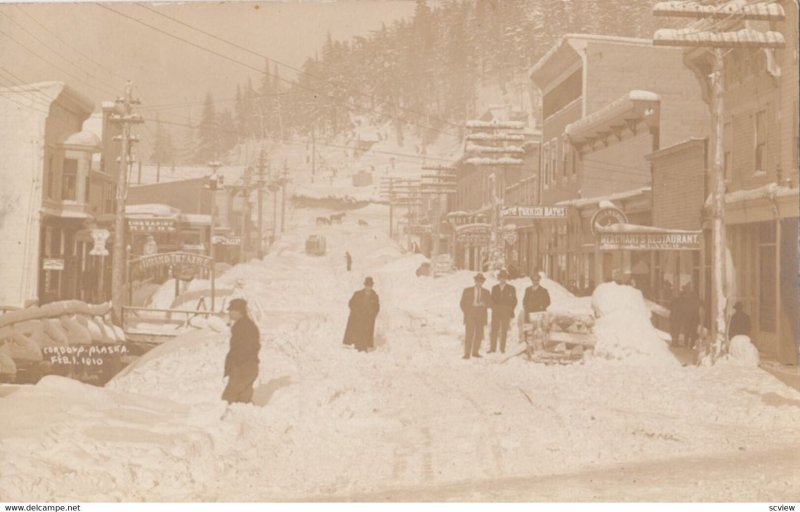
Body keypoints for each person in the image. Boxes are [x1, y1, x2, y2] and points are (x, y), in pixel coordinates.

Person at [222, 298, 261, 404]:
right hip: (248, 366)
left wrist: (237, 364)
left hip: (243, 367)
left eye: (231, 310)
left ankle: (224, 419)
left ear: (238, 311)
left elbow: (246, 348)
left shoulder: (243, 326)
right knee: (243, 400)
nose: (229, 313)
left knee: (228, 398)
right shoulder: (247, 325)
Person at [343, 277, 380, 352]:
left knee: (366, 332)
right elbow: (351, 303)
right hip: (358, 317)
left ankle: (364, 347)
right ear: (365, 285)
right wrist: (355, 311)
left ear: (372, 286)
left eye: (370, 285)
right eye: (367, 285)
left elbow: (377, 307)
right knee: (358, 331)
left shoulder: (374, 296)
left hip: (368, 318)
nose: (368, 287)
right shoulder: (358, 294)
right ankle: (358, 346)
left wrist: (373, 314)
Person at [460, 273, 492, 359]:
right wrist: (467, 312)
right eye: (478, 281)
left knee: (479, 334)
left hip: (481, 314)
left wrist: (484, 304)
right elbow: (462, 303)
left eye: (481, 281)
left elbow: (490, 304)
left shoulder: (486, 292)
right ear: (475, 281)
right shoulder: (467, 290)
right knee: (469, 334)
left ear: (483, 282)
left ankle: (475, 352)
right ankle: (467, 354)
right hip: (471, 313)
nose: (479, 283)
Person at [489, 269, 517, 354]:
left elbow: (514, 301)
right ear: (498, 278)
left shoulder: (511, 288)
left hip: (506, 312)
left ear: (506, 279)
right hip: (496, 311)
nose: (502, 279)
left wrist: (509, 309)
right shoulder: (494, 288)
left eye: (504, 278)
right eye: (501, 278)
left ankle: (502, 348)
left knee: (504, 330)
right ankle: (492, 348)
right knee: (494, 330)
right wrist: (494, 308)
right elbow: (491, 300)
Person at [681, 284, 702, 349]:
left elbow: (683, 309)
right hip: (694, 319)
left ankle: (686, 344)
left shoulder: (686, 301)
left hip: (688, 319)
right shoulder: (697, 301)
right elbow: (703, 304)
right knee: (693, 333)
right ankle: (691, 345)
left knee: (687, 332)